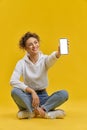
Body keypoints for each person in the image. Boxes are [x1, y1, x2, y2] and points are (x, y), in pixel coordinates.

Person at [10, 32, 69, 119]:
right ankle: (47, 112)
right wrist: (32, 92)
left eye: (36, 42)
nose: (34, 46)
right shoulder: (21, 63)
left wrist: (58, 53)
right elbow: (13, 81)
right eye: (30, 44)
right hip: (28, 98)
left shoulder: (44, 59)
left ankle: (34, 111)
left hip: (43, 97)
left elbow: (51, 59)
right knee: (14, 91)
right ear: (25, 48)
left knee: (64, 94)